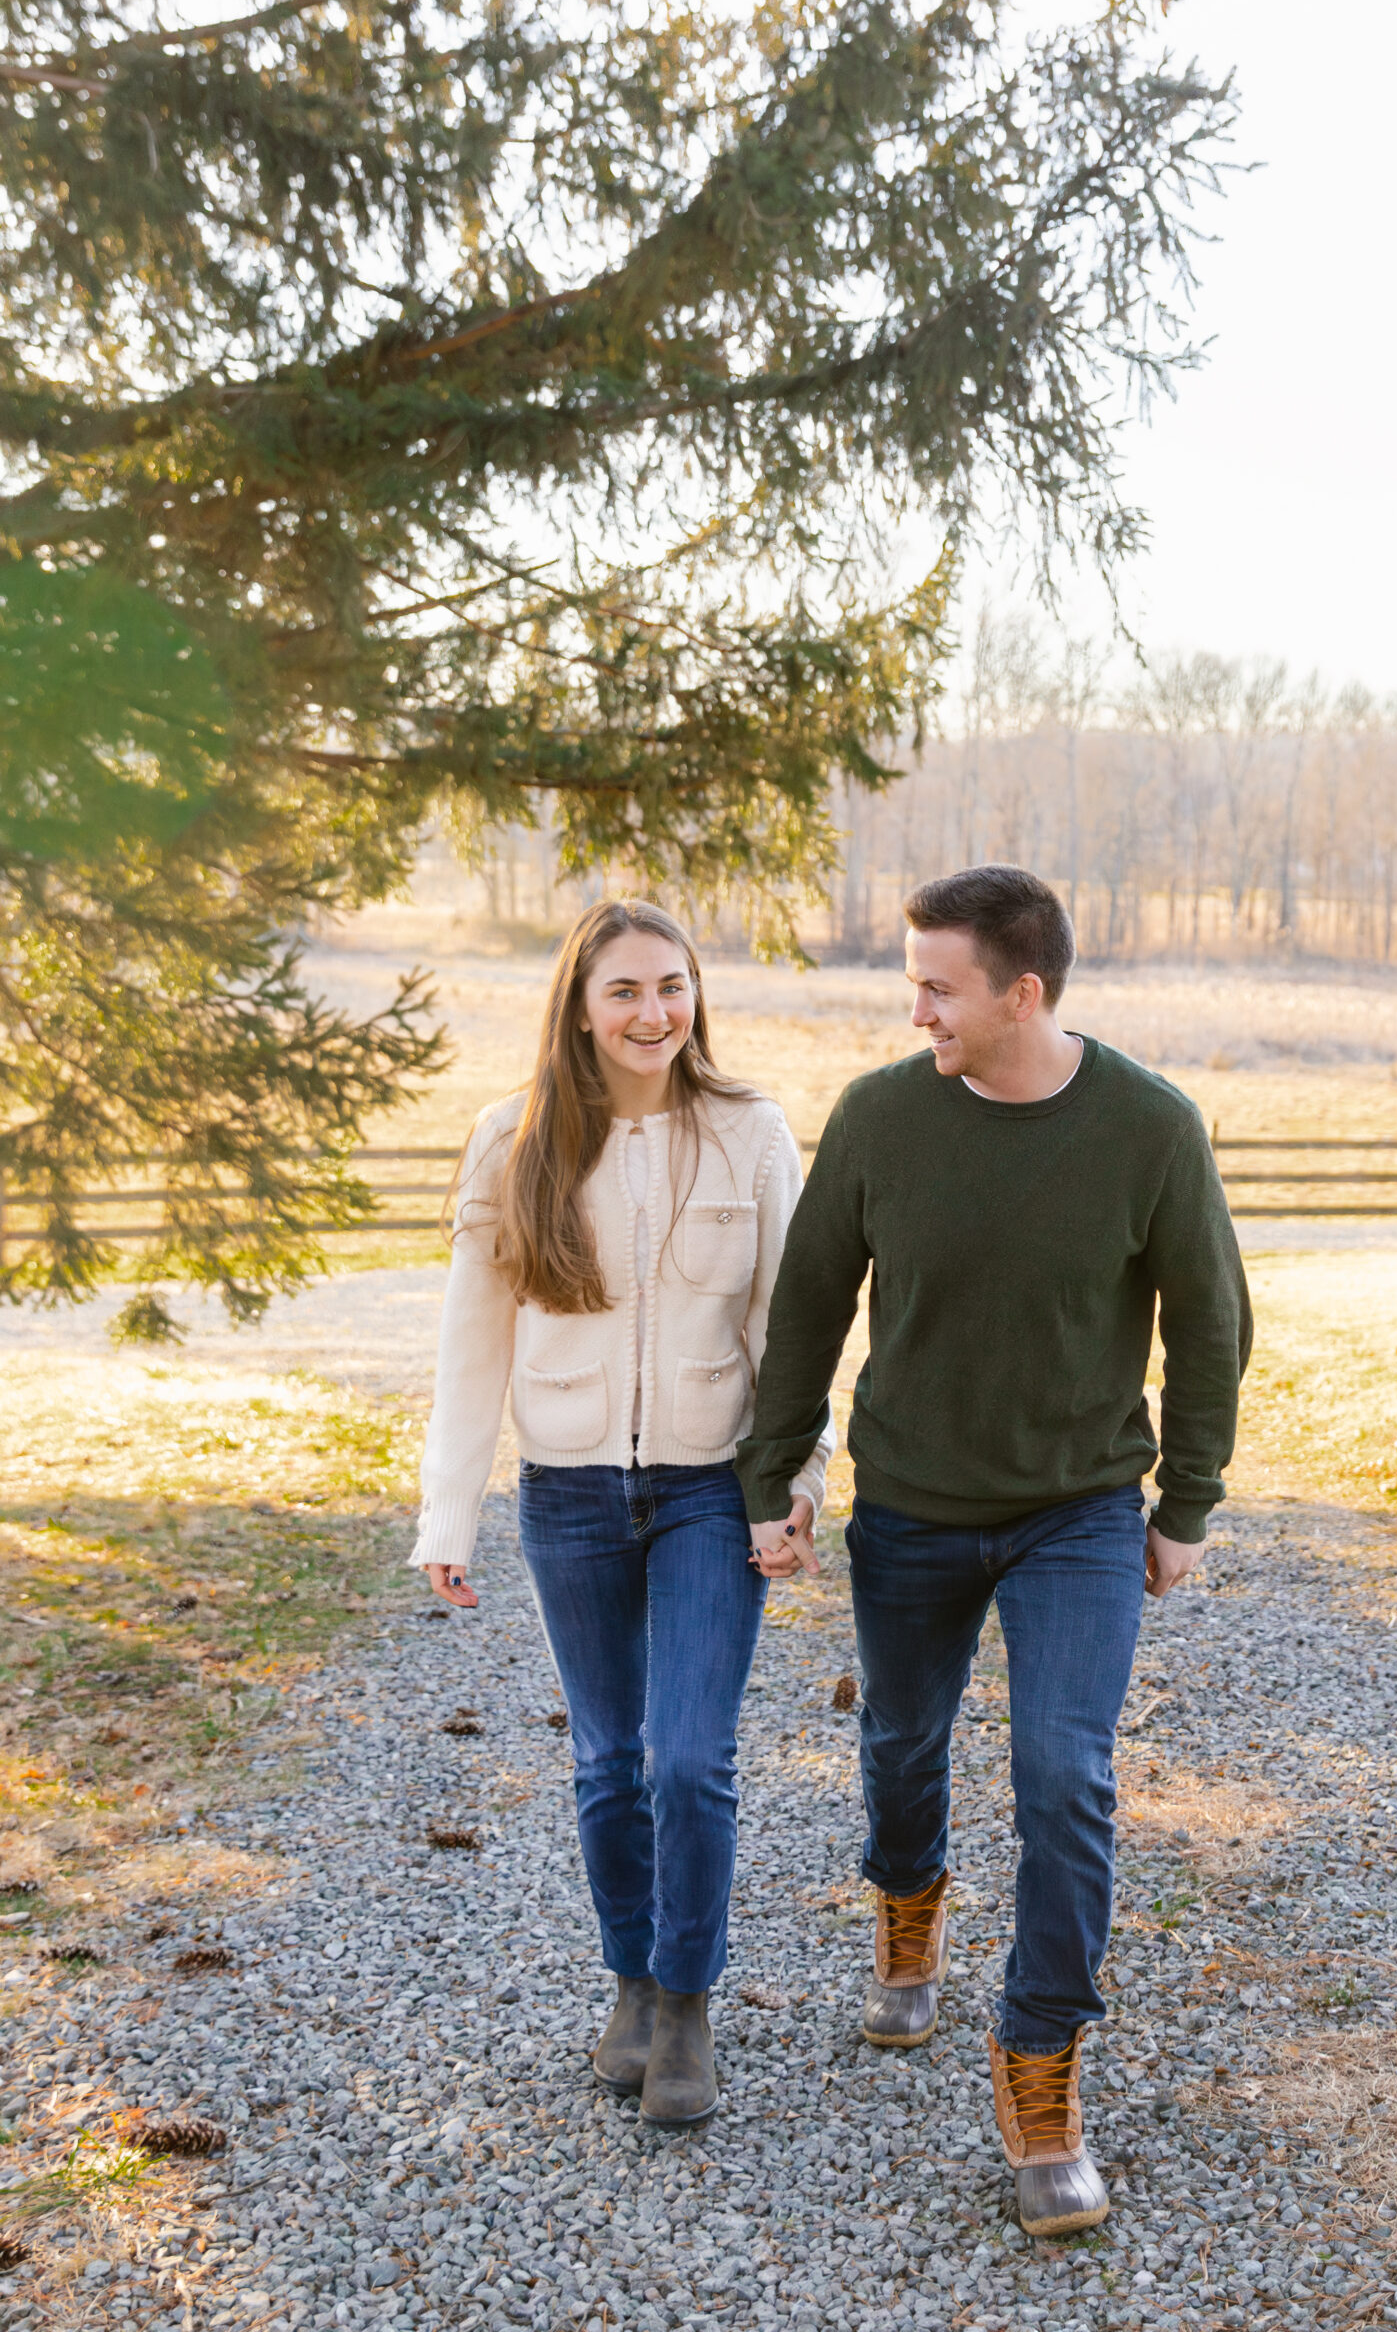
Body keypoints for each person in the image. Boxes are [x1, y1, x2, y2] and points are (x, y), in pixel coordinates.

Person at [735, 863, 1251, 2234]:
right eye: (910, 983)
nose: (915, 1011)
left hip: (1076, 1510)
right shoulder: (877, 1121)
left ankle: (1039, 2074)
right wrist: (772, 1475)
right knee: (900, 1746)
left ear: (1021, 993)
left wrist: (1183, 1506)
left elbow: (1209, 1324)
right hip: (908, 1505)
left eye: (936, 987)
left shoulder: (1147, 1129)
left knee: (1063, 1776)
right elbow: (804, 1313)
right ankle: (906, 1914)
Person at [410, 899, 830, 2124]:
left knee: (690, 1759)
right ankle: (632, 1980)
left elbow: (788, 1334)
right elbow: (469, 1343)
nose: (655, 1014)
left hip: (712, 1486)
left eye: (674, 986)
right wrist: (449, 1515)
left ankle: (689, 2001)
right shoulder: (513, 1140)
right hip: (571, 1491)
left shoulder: (750, 1134)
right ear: (581, 1009)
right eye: (626, 992)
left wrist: (793, 1485)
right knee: (607, 1762)